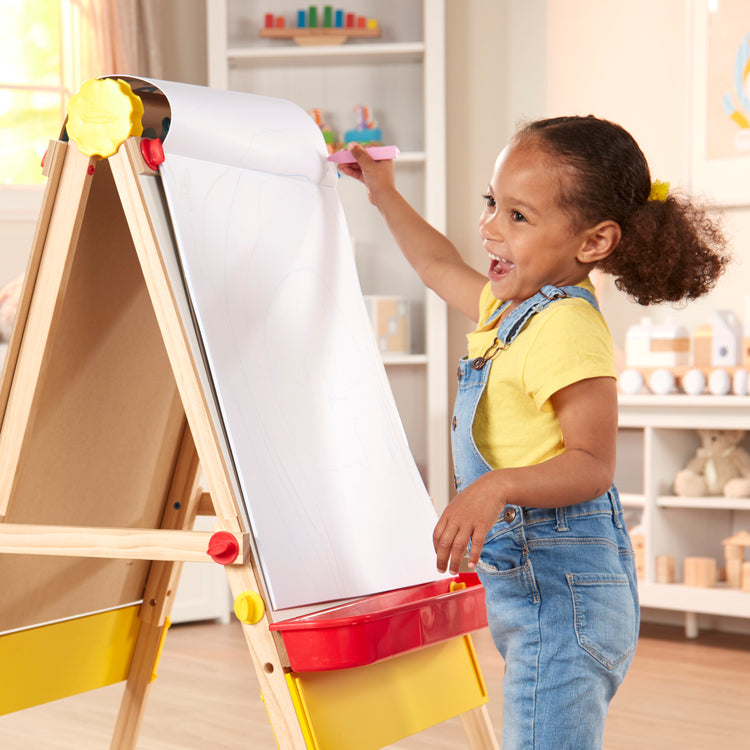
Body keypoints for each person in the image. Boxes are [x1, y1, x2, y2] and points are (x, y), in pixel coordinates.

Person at [339, 115, 730, 750]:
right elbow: (438, 264)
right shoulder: (514, 308)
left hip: (567, 593)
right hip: (539, 589)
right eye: (492, 204)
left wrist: (496, 486)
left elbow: (592, 462)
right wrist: (383, 192)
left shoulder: (567, 327)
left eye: (518, 216)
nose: (490, 227)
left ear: (595, 241)